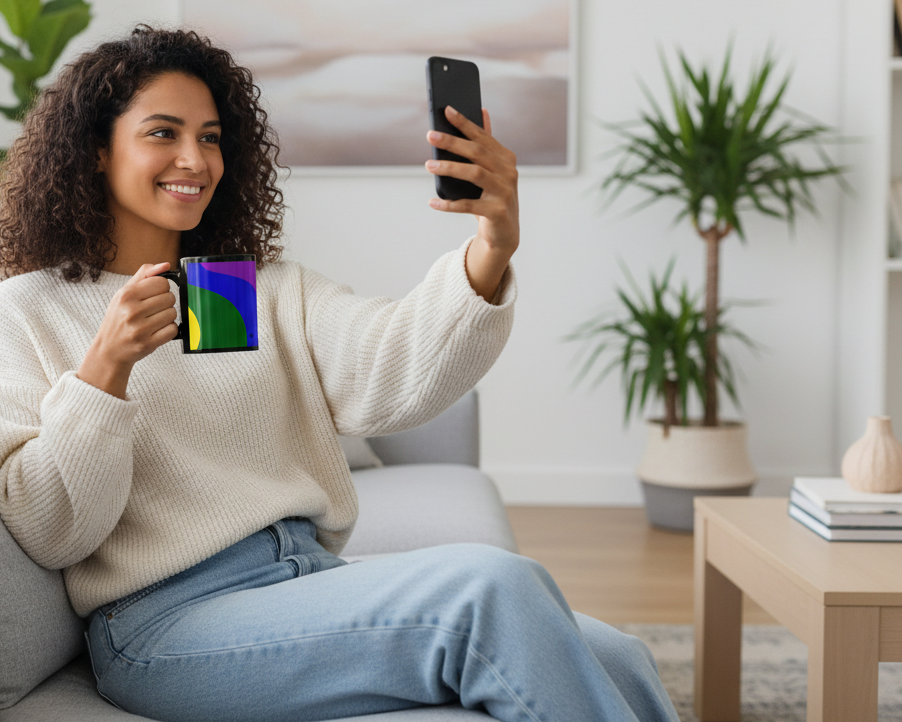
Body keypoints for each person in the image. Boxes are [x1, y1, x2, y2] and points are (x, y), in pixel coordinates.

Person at [0, 26, 679, 722]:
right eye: (163, 133)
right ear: (94, 150)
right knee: (492, 590)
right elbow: (49, 526)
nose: (193, 159)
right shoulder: (28, 309)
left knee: (619, 655)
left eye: (210, 137)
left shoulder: (238, 289)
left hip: (304, 579)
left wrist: (492, 246)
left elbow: (396, 361)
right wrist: (103, 370)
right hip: (165, 625)